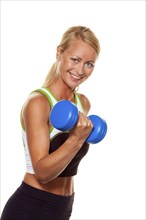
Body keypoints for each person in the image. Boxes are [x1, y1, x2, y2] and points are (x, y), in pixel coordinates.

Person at [1, 25, 100, 220]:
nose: (80, 70)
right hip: (31, 207)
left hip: (63, 208)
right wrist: (76, 139)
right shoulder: (38, 103)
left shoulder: (83, 103)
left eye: (89, 64)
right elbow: (42, 172)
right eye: (75, 59)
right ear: (59, 53)